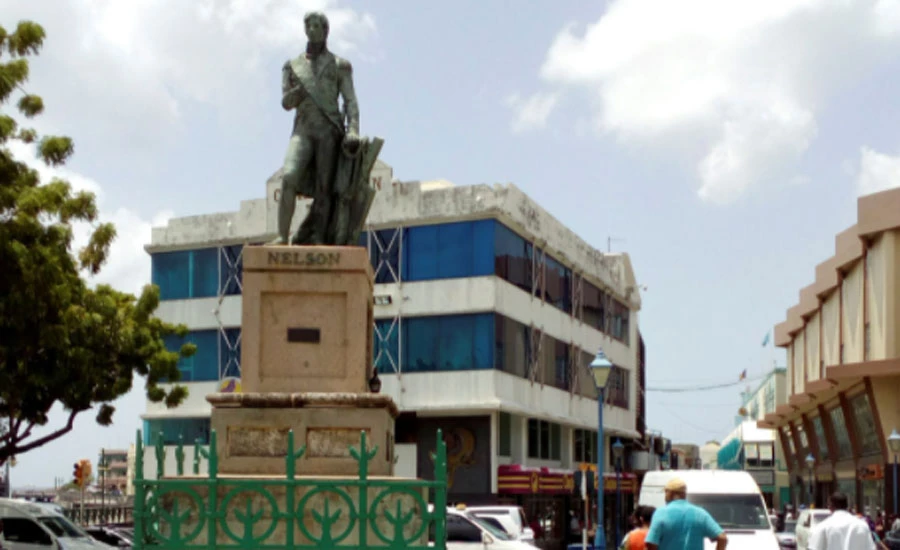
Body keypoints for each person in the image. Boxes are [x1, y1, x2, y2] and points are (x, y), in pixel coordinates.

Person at [274, 10, 361, 245]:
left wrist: (353, 129)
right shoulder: (292, 66)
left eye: (317, 26)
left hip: (329, 132)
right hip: (303, 130)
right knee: (289, 176)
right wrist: (298, 93)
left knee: (325, 190)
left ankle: (319, 238)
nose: (312, 30)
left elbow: (350, 101)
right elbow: (285, 103)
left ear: (325, 31)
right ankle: (282, 236)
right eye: (309, 26)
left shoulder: (340, 65)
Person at [645, 477, 728, 550]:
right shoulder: (700, 513)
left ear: (671, 493)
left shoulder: (661, 513)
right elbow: (722, 538)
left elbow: (651, 543)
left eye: (666, 492)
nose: (665, 496)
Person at [808, 492, 876, 550]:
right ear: (846, 506)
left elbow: (814, 547)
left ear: (830, 507)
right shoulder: (862, 525)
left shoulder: (823, 526)